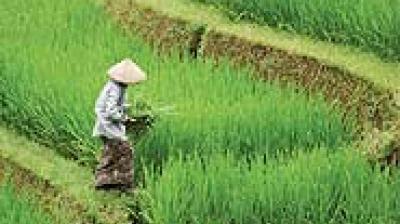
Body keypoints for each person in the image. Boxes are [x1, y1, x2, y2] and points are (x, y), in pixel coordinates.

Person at [92, 58, 146, 191]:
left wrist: (131, 108)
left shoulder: (117, 86)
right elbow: (110, 111)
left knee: (112, 153)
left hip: (107, 126)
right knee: (126, 151)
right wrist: (124, 119)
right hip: (108, 126)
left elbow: (117, 105)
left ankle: (105, 182)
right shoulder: (116, 88)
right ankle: (124, 184)